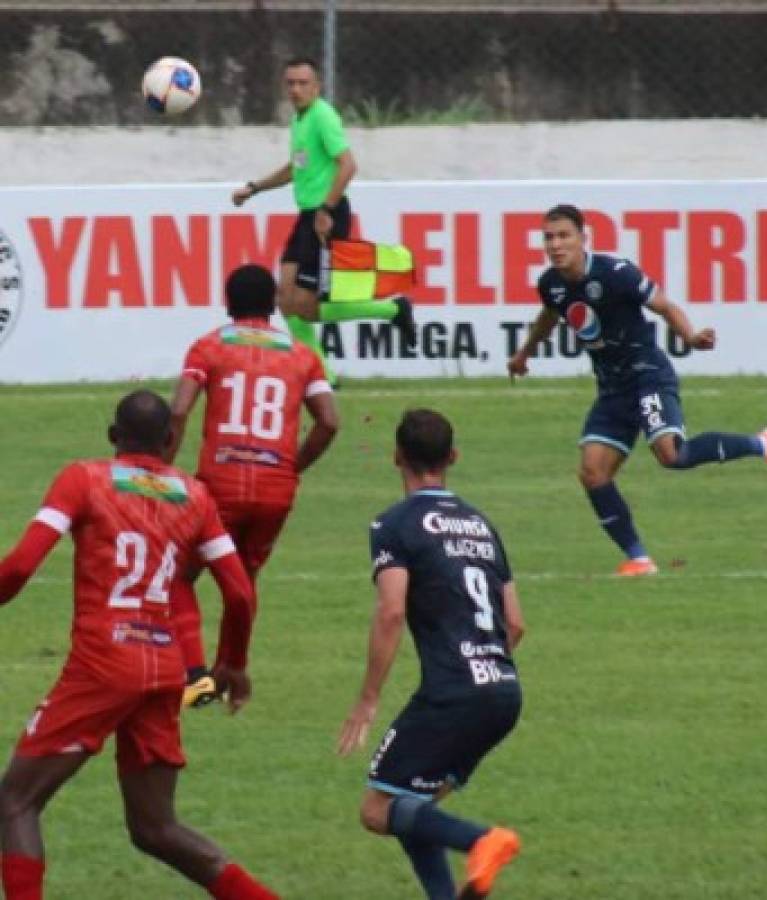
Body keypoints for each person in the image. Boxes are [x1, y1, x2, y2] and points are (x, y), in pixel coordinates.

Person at [0, 390, 278, 900]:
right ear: (170, 439)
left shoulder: (83, 478)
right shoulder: (195, 495)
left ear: (112, 437)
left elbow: (19, 566)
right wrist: (231, 663)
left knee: (14, 802)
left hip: (102, 666)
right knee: (156, 829)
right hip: (164, 669)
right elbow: (239, 593)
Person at [508, 203, 767, 577]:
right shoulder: (550, 283)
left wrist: (692, 337)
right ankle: (639, 559)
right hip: (612, 388)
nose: (555, 244)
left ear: (583, 238)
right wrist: (524, 353)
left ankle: (766, 444)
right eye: (548, 237)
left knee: (672, 456)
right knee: (592, 472)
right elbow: (550, 315)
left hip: (646, 374)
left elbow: (664, 305)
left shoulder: (616, 273)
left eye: (564, 235)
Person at [338, 409, 525, 900]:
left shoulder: (394, 524)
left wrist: (368, 699)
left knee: (378, 809)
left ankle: (482, 840)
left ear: (397, 456)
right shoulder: (482, 525)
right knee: (414, 805)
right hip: (504, 692)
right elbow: (517, 622)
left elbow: (391, 612)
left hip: (454, 693)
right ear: (453, 458)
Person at [166, 263, 339, 706]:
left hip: (219, 485)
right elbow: (329, 422)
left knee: (179, 576)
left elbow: (180, 410)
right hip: (275, 488)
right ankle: (232, 666)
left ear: (228, 303)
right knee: (243, 580)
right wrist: (292, 466)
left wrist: (162, 464)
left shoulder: (209, 347)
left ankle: (195, 673)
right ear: (274, 305)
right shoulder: (301, 354)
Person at [231, 56, 416, 383]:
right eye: (290, 83)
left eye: (303, 83)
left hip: (326, 216)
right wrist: (254, 188)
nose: (296, 89)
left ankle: (393, 310)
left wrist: (326, 210)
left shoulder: (322, 117)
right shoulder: (299, 121)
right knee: (285, 300)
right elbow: (294, 167)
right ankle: (323, 377)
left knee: (306, 305)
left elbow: (348, 165)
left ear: (316, 86)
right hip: (307, 216)